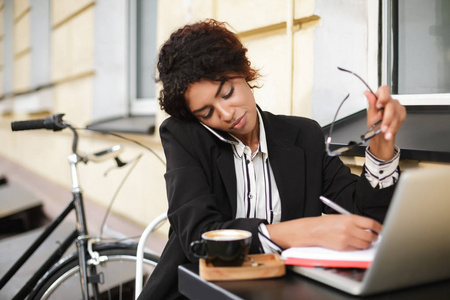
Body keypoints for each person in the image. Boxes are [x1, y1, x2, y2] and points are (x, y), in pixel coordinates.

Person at [138, 19, 406, 300]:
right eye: (207, 113)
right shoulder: (185, 137)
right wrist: (302, 232)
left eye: (227, 92)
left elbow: (366, 218)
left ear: (242, 72)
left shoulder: (303, 135)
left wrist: (381, 145)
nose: (226, 114)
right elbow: (199, 236)